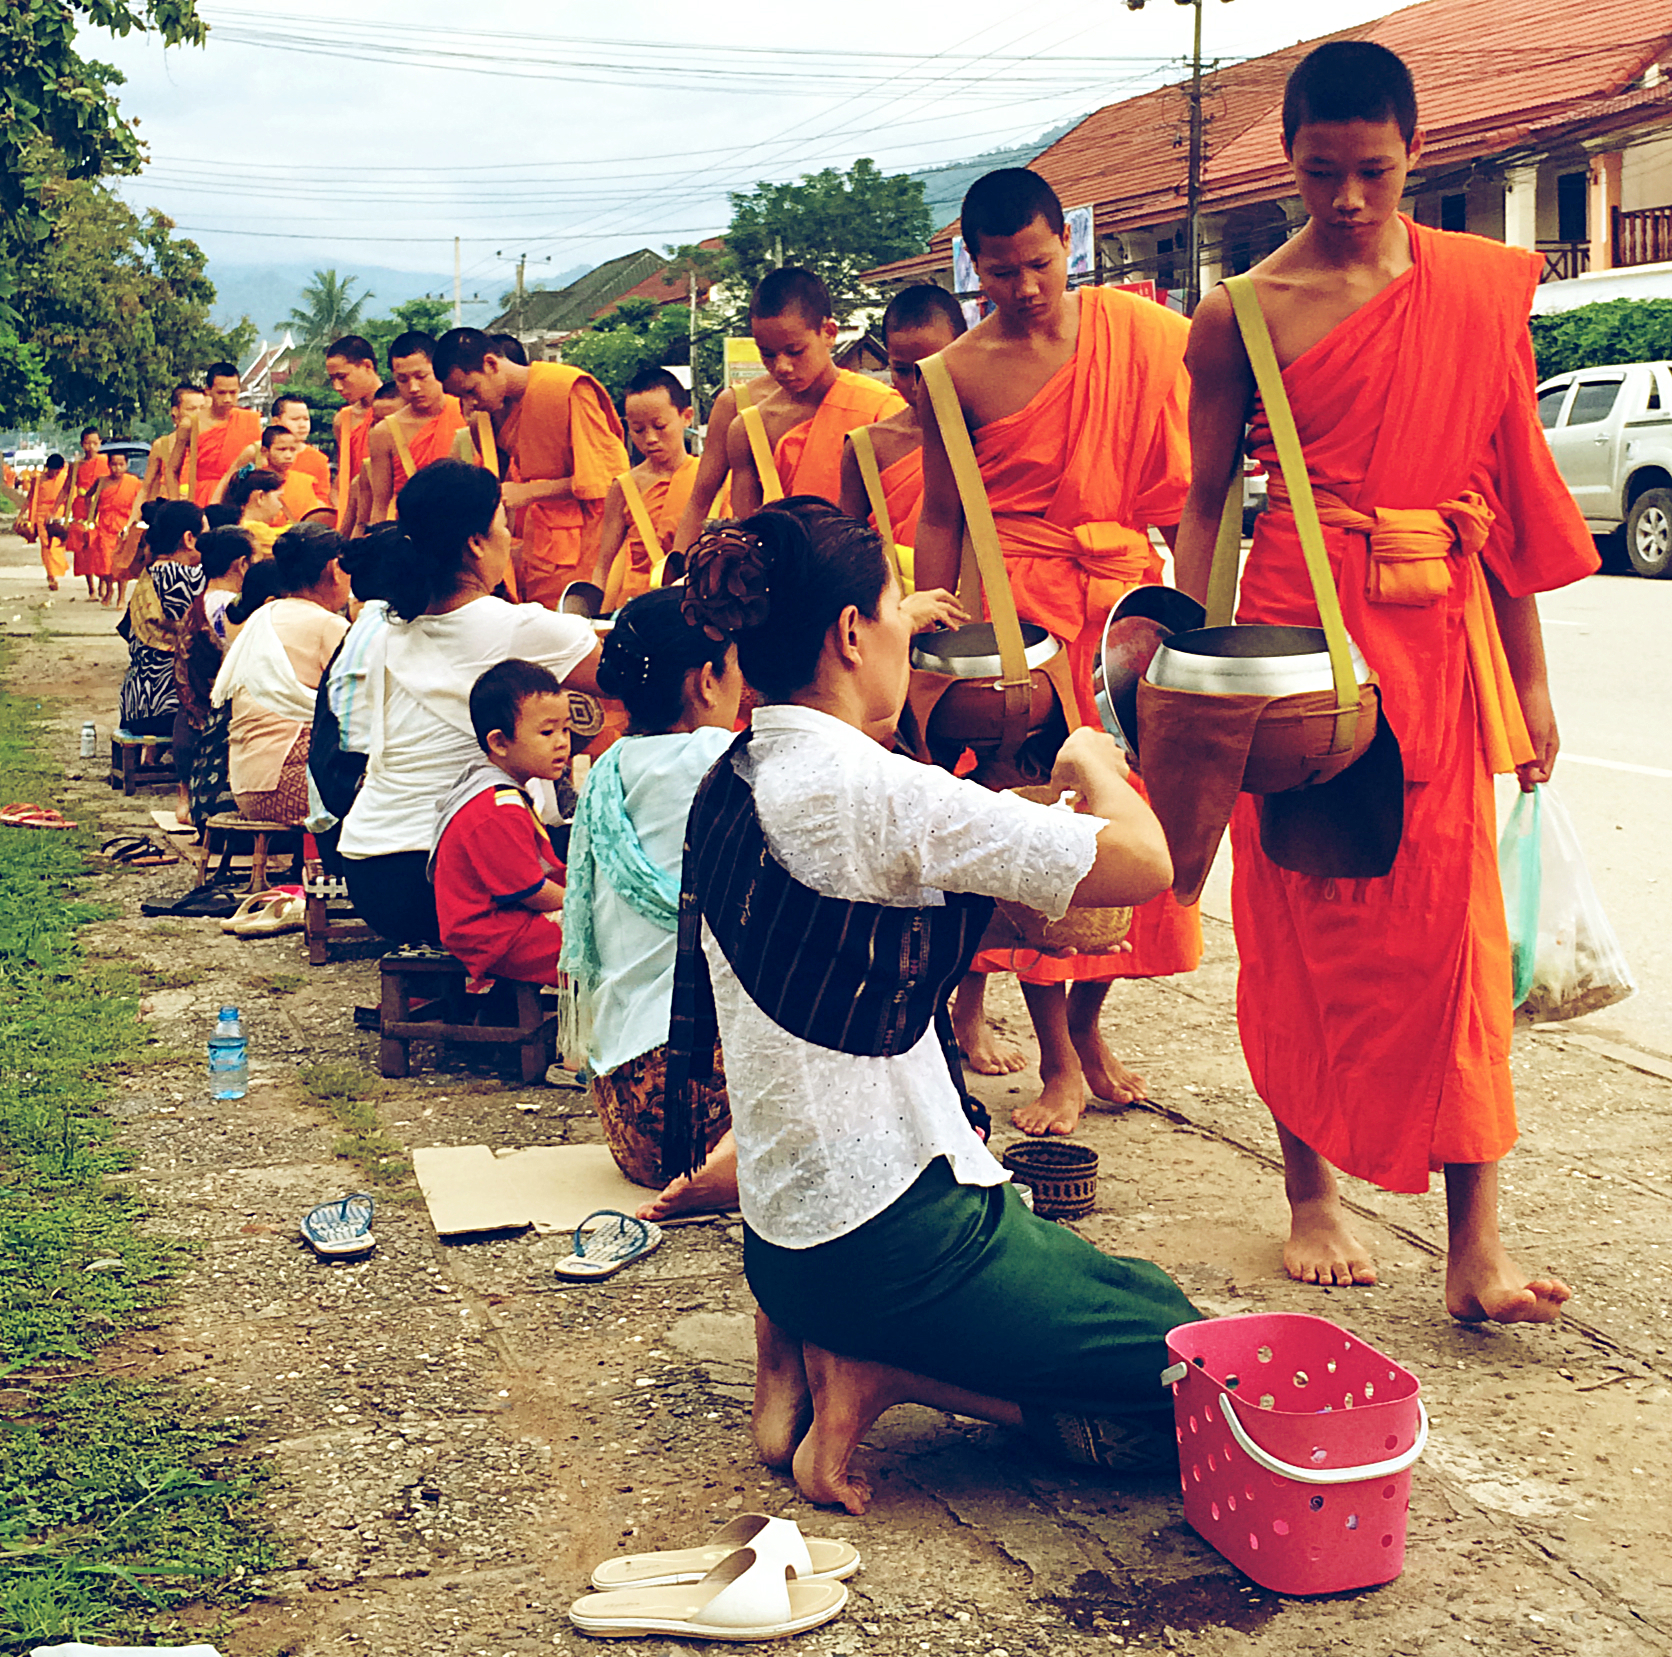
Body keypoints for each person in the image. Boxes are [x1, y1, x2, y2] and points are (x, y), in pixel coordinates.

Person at [665, 498, 1199, 1515]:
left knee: (1118, 1289)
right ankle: (881, 1373)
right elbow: (1143, 865)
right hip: (888, 1238)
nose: (909, 632)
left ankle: (800, 1345)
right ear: (851, 633)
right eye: (893, 613)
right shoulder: (877, 794)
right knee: (1174, 1356)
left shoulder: (729, 772)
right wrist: (1092, 763)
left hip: (784, 1237)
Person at [1173, 43, 1595, 1325]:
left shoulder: (1475, 291)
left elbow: (1509, 498)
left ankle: (1477, 1244)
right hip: (1301, 638)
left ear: (1415, 153)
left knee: (1458, 944)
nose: (1347, 199)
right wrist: (1184, 684)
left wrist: (1529, 685)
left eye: (1371, 171)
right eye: (1320, 172)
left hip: (1446, 641)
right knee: (1304, 925)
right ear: (1286, 157)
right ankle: (1309, 1192)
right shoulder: (1239, 312)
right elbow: (1200, 506)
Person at [914, 167, 1200, 1132]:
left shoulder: (1147, 333)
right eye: (1001, 272)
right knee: (1041, 835)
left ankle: (1092, 1023)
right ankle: (1058, 1059)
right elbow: (943, 516)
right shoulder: (956, 374)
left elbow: (1201, 480)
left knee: (1136, 829)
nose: (1025, 287)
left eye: (1039, 264)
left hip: (1125, 607)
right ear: (973, 265)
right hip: (1021, 614)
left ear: (1065, 245)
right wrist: (936, 639)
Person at [328, 459, 603, 943]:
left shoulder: (388, 623)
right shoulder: (516, 627)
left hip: (370, 872)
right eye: (502, 525)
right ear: (476, 542)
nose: (510, 540)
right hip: (449, 880)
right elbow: (632, 677)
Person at [557, 585, 742, 1217]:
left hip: (630, 1124)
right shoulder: (719, 759)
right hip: (702, 1117)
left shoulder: (611, 767)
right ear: (708, 680)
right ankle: (742, 1168)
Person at [434, 326, 629, 607]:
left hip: (587, 547)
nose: (470, 404)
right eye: (461, 398)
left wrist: (530, 492)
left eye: (471, 391)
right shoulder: (489, 417)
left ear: (491, 364)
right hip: (533, 548)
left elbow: (608, 480)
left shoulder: (565, 388)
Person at [428, 659, 570, 992]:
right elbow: (531, 891)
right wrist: (582, 901)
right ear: (500, 743)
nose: (562, 742)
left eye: (565, 729)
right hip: (492, 934)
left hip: (507, 923)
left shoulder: (503, 792)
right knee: (608, 946)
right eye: (547, 732)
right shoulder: (496, 808)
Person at [721, 269, 903, 521]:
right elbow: (747, 534)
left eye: (795, 351)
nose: (782, 366)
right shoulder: (749, 429)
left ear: (829, 332)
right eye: (768, 354)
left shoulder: (882, 408)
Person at [211, 525, 351, 826]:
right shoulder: (328, 625)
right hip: (289, 784)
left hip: (247, 784)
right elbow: (357, 704)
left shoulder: (263, 614)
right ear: (336, 570)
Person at [838, 283, 967, 589]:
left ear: (964, 348)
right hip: (902, 613)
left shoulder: (997, 427)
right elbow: (846, 555)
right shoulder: (869, 447)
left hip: (998, 601)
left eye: (932, 367)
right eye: (903, 370)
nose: (918, 385)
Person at [120, 499, 206, 819]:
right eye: (205, 537)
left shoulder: (151, 572)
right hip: (161, 706)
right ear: (188, 538)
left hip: (136, 704)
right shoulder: (177, 574)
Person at [588, 368, 699, 603]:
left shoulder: (709, 477)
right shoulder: (625, 487)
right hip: (637, 605)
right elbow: (603, 567)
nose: (650, 438)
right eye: (638, 430)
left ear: (686, 416)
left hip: (698, 600)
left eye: (660, 426)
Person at [174, 526, 253, 829]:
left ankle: (185, 797)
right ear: (241, 563)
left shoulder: (202, 600)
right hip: (214, 709)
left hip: (190, 704)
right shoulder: (229, 608)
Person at [366, 333, 468, 524]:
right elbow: (380, 504)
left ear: (438, 368)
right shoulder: (384, 432)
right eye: (402, 379)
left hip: (468, 527)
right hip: (413, 534)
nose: (413, 387)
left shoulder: (468, 412)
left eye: (421, 376)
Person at [169, 363, 263, 506]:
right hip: (204, 498)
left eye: (233, 392)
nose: (227, 399)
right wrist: (176, 506)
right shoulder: (191, 424)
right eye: (221, 392)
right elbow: (172, 470)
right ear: (208, 391)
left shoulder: (250, 421)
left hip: (241, 496)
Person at [326, 335, 383, 535]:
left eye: (342, 377)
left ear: (367, 366)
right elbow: (345, 474)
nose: (337, 387)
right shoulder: (343, 419)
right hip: (358, 516)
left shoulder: (401, 408)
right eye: (332, 379)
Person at [87, 449, 141, 608]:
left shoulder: (133, 482)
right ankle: (110, 589)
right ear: (108, 465)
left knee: (122, 564)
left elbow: (139, 503)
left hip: (124, 527)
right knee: (106, 564)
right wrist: (90, 519)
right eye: (114, 465)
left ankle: (122, 597)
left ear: (126, 465)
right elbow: (90, 498)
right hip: (104, 526)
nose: (117, 468)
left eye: (121, 464)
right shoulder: (102, 482)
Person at [141, 384, 207, 505]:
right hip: (173, 511)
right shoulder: (162, 445)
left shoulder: (214, 441)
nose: (198, 414)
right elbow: (146, 489)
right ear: (175, 412)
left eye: (202, 408)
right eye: (191, 409)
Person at [66, 428, 110, 600]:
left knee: (101, 548)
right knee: (83, 549)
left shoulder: (106, 462)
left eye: (95, 443)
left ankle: (103, 584)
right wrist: (56, 510)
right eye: (87, 443)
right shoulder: (76, 466)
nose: (91, 447)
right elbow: (67, 488)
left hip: (101, 507)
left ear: (100, 443)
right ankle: (91, 587)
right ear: (82, 444)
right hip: (81, 507)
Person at [22, 454, 70, 590]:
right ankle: (51, 575)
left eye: (56, 471)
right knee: (46, 546)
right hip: (41, 515)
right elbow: (30, 498)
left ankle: (55, 571)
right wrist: (22, 515)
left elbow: (69, 496)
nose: (53, 473)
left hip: (58, 514)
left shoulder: (65, 479)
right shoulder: (38, 480)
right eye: (51, 470)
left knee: (56, 545)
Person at [226, 468, 288, 556]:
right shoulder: (257, 530)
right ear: (260, 497)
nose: (281, 506)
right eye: (278, 498)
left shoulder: (239, 524)